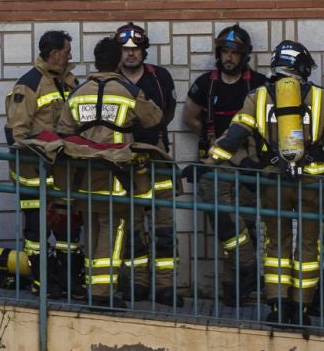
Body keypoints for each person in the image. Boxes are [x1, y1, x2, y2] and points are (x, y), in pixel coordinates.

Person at [206, 41, 324, 324]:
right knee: (309, 247)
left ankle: (278, 306)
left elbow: (234, 136)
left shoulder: (257, 97)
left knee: (275, 245)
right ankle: (301, 310)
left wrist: (208, 164)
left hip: (273, 181)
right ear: (302, 67)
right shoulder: (321, 97)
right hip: (314, 183)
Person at [57, 37, 166, 304]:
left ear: (95, 61)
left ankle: (94, 288)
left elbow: (63, 129)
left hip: (83, 175)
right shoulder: (127, 90)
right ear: (118, 60)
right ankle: (102, 293)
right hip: (115, 174)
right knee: (113, 230)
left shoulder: (78, 92)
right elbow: (154, 118)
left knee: (93, 230)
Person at [182, 25, 267, 302]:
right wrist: (213, 139)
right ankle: (249, 270)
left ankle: (235, 291)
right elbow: (189, 117)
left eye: (235, 53)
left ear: (245, 56)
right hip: (213, 165)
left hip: (247, 165)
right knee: (225, 225)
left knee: (246, 227)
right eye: (225, 52)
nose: (229, 58)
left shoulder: (259, 84)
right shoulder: (206, 84)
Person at [3, 30, 76, 288]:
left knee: (69, 230)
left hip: (64, 173)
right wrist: (47, 145)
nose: (70, 56)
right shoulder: (29, 84)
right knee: (37, 231)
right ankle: (42, 283)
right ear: (55, 54)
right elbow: (16, 134)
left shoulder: (69, 82)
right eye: (67, 52)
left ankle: (68, 280)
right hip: (34, 173)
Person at [113, 23, 180, 302]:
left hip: (157, 159)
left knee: (164, 227)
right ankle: (138, 283)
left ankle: (165, 286)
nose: (130, 54)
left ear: (144, 51)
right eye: (125, 50)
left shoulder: (159, 77)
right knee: (132, 227)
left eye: (135, 49)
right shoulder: (111, 80)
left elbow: (168, 112)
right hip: (125, 162)